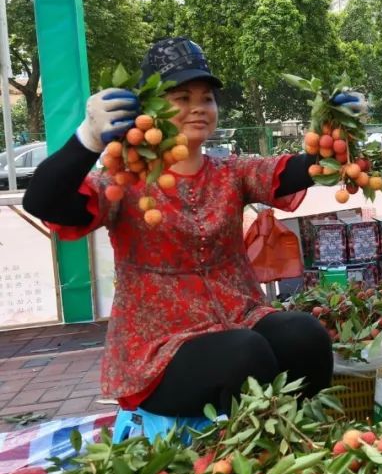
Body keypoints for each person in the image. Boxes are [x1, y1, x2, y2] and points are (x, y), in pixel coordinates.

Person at [23, 37, 362, 418]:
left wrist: (338, 123)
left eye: (206, 99)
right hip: (161, 347)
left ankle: (305, 436)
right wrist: (86, 139)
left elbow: (302, 168)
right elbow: (42, 201)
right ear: (151, 110)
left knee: (305, 335)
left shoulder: (230, 173)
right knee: (245, 354)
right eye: (182, 98)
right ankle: (245, 449)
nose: (198, 108)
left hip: (239, 317)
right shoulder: (125, 181)